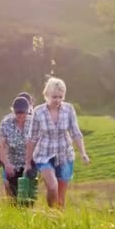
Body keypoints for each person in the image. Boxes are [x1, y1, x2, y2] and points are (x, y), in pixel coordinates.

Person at [25, 77, 90, 208]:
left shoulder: (69, 109)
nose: (58, 100)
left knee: (60, 199)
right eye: (54, 97)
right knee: (53, 187)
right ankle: (51, 212)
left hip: (65, 155)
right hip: (44, 155)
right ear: (47, 94)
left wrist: (83, 153)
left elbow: (75, 132)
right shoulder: (38, 111)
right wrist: (27, 162)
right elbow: (32, 138)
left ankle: (56, 218)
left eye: (61, 97)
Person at [0, 92, 34, 197]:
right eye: (18, 113)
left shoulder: (34, 121)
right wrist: (5, 164)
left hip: (29, 160)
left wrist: (30, 163)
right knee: (12, 193)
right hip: (11, 161)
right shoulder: (6, 123)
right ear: (13, 111)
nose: (21, 116)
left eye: (24, 113)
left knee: (27, 195)